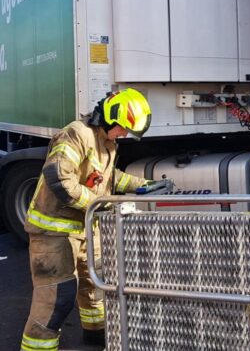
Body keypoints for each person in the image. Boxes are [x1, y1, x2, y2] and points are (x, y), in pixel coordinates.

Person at [21, 88, 153, 351]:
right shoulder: (77, 133)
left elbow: (108, 178)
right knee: (57, 297)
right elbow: (59, 178)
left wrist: (145, 185)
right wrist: (97, 204)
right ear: (109, 117)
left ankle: (96, 335)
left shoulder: (107, 142)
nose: (125, 135)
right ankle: (36, 347)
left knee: (96, 285)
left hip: (85, 228)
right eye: (123, 128)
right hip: (52, 231)